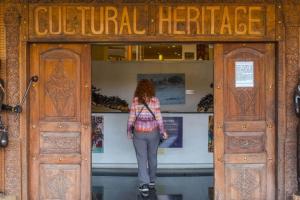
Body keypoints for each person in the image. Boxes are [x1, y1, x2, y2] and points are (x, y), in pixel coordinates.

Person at [127, 79, 168, 194]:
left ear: (138, 88)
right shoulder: (155, 100)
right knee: (153, 157)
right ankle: (152, 181)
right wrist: (163, 131)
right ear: (151, 88)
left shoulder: (135, 101)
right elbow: (159, 117)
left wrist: (129, 131)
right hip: (153, 133)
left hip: (139, 133)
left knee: (141, 158)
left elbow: (131, 118)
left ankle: (143, 184)